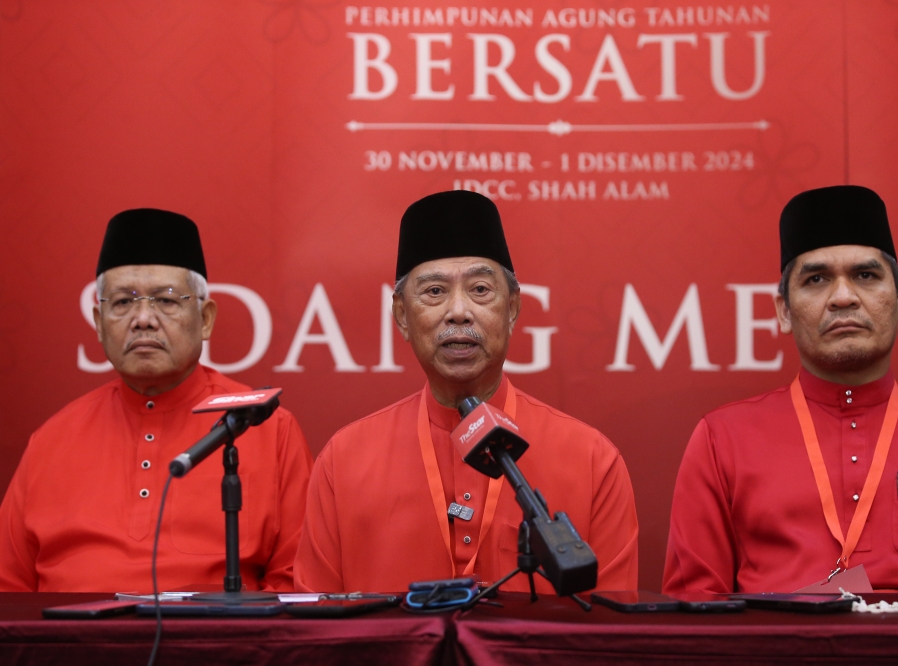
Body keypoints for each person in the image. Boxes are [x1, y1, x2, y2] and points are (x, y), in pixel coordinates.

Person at [295, 190, 638, 593]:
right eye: (435, 292)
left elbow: (614, 634)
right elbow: (313, 628)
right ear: (402, 317)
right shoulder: (344, 460)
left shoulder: (592, 460)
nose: (459, 311)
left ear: (512, 309)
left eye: (479, 289)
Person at [663, 185, 898, 594]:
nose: (843, 297)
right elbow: (692, 612)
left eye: (865, 275)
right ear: (784, 311)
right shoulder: (723, 440)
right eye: (817, 279)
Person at [0, 208, 314, 592]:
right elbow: (8, 589)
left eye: (166, 301)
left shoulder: (265, 427)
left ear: (207, 318)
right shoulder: (51, 440)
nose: (143, 318)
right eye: (122, 303)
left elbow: (294, 583)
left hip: (219, 648)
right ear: (99, 323)